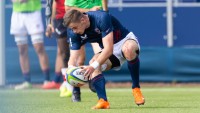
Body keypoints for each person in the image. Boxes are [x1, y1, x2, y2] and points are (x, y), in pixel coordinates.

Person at [63, 9, 145, 109]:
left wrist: (92, 67)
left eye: (75, 28)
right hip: (108, 50)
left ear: (83, 20)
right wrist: (70, 70)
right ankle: (103, 101)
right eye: (72, 29)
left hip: (124, 41)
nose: (74, 31)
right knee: (93, 62)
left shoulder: (101, 18)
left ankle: (136, 88)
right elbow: (73, 57)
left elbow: (109, 49)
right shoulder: (73, 31)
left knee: (128, 49)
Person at [64, 0, 108, 102]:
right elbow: (68, 9)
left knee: (100, 55)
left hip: (94, 23)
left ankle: (95, 79)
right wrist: (89, 10)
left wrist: (105, 11)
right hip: (78, 23)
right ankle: (76, 90)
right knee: (79, 60)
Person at [10, 0, 50, 90]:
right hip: (17, 15)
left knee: (39, 47)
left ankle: (47, 80)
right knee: (21, 49)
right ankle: (27, 81)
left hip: (34, 13)